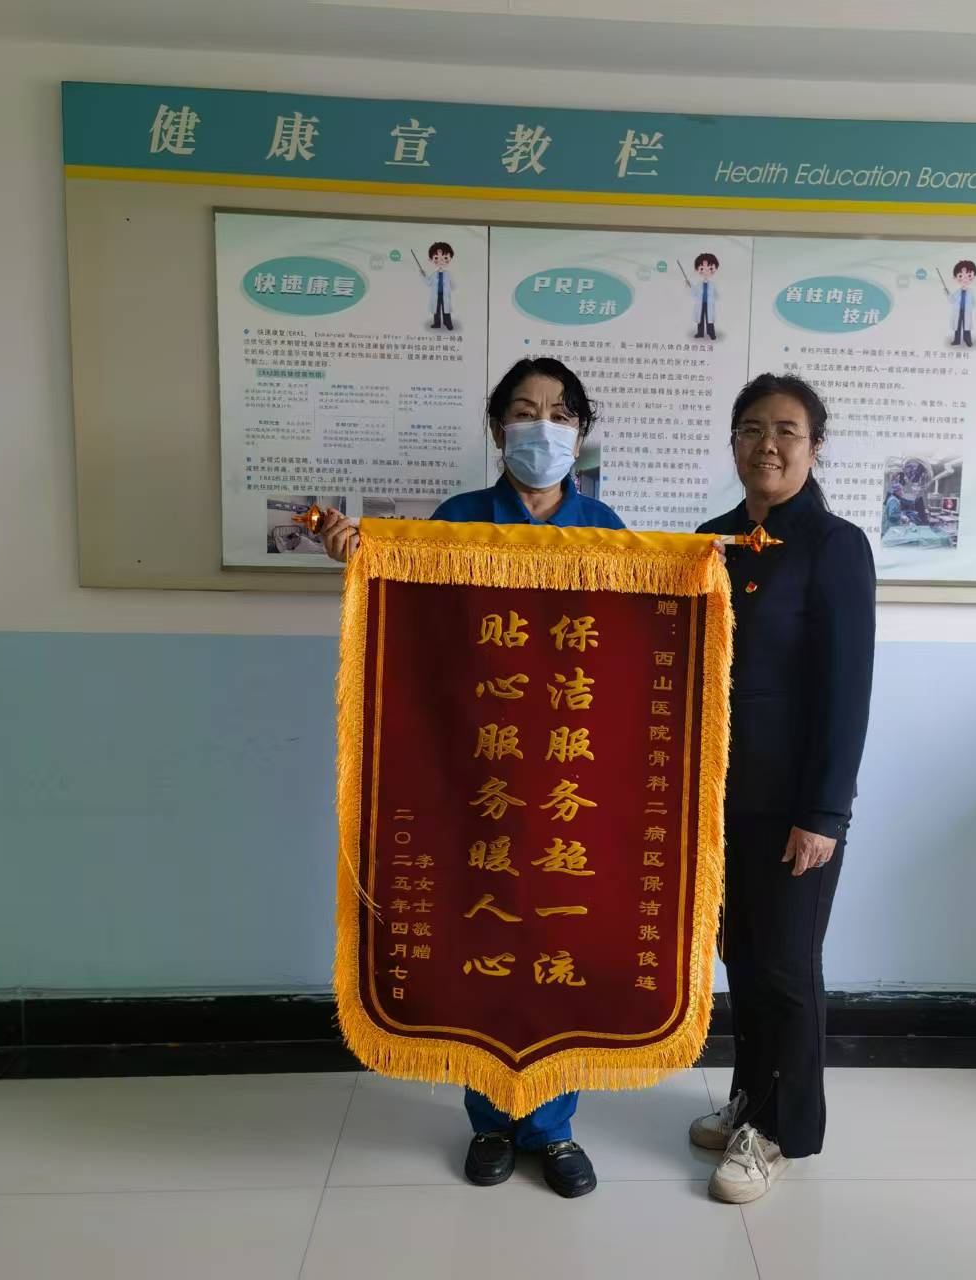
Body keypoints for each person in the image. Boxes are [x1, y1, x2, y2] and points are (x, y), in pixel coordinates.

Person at [320, 356, 622, 1200]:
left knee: (557, 942)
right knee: (484, 936)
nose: (542, 427)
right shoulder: (456, 520)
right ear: (497, 429)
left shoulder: (607, 530)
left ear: (579, 433)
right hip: (476, 766)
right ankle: (490, 1120)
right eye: (525, 411)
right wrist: (360, 557)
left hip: (568, 770)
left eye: (559, 413)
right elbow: (414, 630)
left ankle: (554, 1128)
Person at [690, 373, 876, 1204]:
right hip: (717, 799)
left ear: (814, 446)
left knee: (789, 967)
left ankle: (783, 1131)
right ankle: (750, 1098)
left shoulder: (835, 546)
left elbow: (847, 691)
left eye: (787, 430)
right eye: (752, 428)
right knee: (742, 956)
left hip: (795, 804)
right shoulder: (713, 541)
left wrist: (824, 814)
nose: (767, 444)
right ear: (734, 441)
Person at [426, 241, 455, 331]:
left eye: (445, 258)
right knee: (436, 309)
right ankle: (437, 323)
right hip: (436, 295)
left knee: (446, 310)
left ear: (450, 258)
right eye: (436, 258)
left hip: (444, 294)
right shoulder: (434, 274)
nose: (441, 261)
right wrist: (423, 275)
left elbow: (453, 284)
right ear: (431, 259)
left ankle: (448, 323)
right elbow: (428, 282)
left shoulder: (448, 274)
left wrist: (451, 288)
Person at [948, 259, 976, 347]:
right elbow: (952, 300)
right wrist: (947, 293)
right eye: (960, 276)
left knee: (966, 327)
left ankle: (967, 340)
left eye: (969, 276)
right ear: (955, 277)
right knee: (957, 326)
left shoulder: (970, 292)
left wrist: (971, 307)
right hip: (958, 311)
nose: (965, 279)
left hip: (966, 311)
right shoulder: (957, 292)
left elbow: (974, 302)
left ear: (973, 276)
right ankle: (957, 340)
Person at [691, 252, 720, 340]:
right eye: (702, 269)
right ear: (697, 269)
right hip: (701, 304)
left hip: (709, 304)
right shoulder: (698, 284)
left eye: (710, 268)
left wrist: (714, 298)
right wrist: (690, 286)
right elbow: (694, 293)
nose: (706, 271)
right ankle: (700, 333)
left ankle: (711, 333)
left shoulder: (713, 284)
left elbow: (717, 295)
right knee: (700, 318)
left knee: (709, 319)